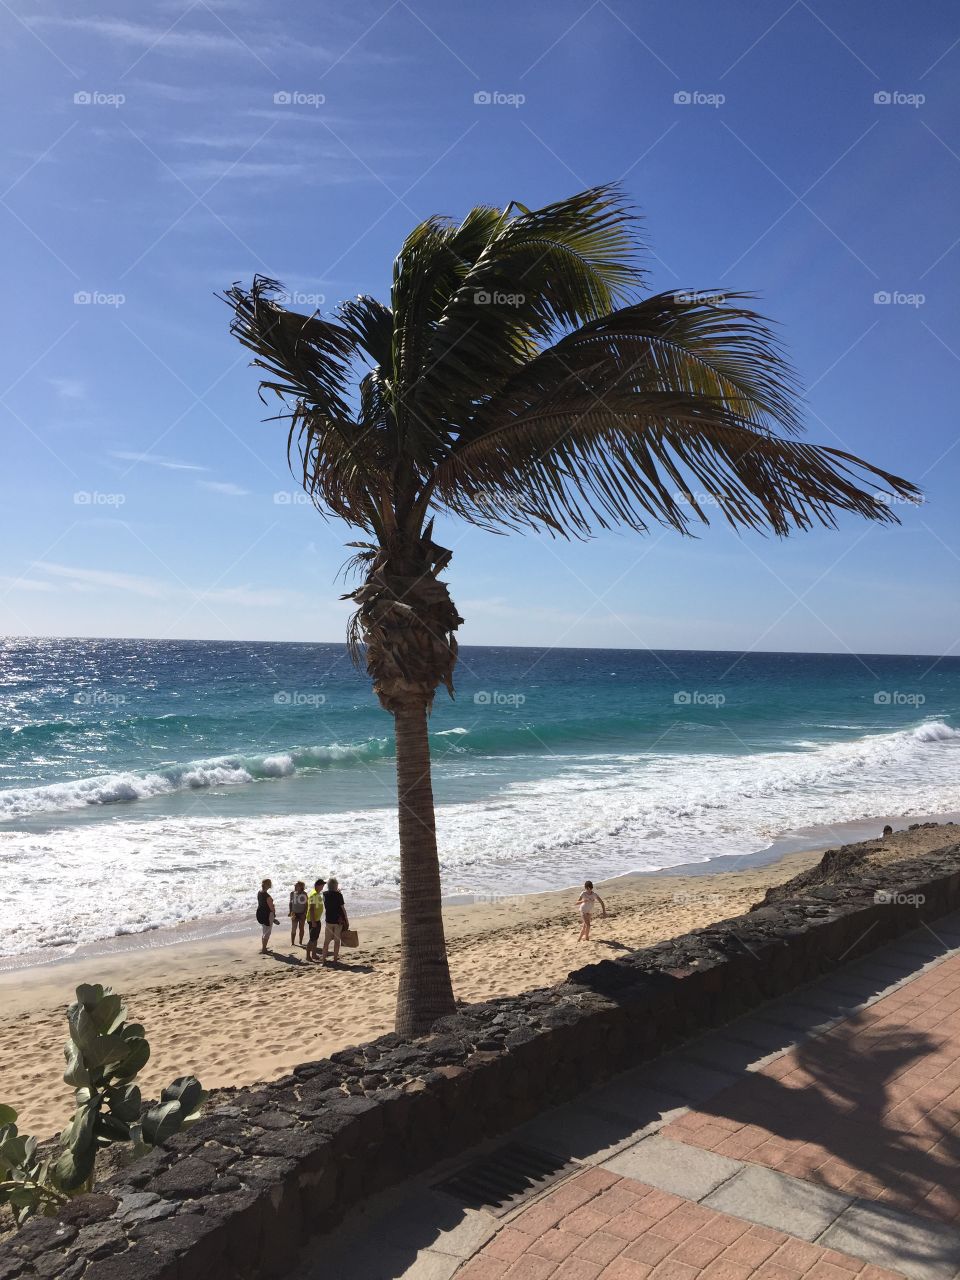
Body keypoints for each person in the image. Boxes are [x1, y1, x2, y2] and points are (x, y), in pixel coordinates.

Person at [322, 877, 349, 965]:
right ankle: (334, 960)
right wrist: (346, 919)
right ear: (336, 885)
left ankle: (324, 960)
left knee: (326, 941)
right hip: (338, 921)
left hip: (329, 920)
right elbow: (342, 908)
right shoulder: (339, 895)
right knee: (337, 941)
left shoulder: (324, 894)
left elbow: (328, 903)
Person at [305, 878, 326, 962]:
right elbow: (311, 909)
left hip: (317, 919)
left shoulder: (317, 893)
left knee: (315, 938)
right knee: (312, 938)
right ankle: (307, 956)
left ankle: (314, 954)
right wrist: (313, 921)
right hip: (313, 920)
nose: (323, 887)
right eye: (322, 885)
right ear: (318, 885)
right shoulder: (313, 894)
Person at [256, 878, 276, 954]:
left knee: (264, 931)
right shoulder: (268, 896)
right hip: (267, 915)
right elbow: (271, 908)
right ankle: (264, 949)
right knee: (267, 932)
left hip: (260, 913)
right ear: (268, 885)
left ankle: (263, 947)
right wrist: (274, 915)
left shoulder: (259, 892)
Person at [289, 881, 308, 946]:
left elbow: (306, 905)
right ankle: (292, 943)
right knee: (293, 928)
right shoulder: (292, 893)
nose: (295, 886)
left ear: (301, 887)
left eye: (296, 886)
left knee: (301, 928)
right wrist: (290, 911)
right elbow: (290, 903)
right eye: (295, 885)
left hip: (302, 913)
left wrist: (305, 913)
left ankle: (300, 942)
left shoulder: (304, 894)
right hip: (294, 913)